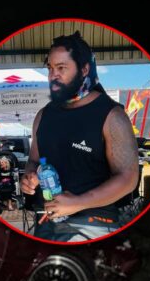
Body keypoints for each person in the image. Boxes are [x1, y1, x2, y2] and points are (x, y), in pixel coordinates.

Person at [20, 31, 139, 242]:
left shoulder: (111, 115)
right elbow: (34, 161)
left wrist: (78, 202)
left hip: (93, 225)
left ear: (84, 69)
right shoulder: (44, 115)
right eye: (50, 68)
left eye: (61, 68)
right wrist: (29, 177)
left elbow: (128, 178)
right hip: (47, 221)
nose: (53, 75)